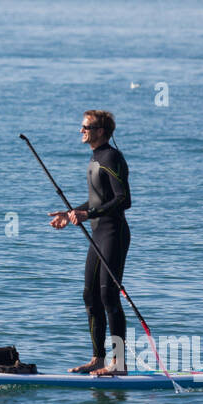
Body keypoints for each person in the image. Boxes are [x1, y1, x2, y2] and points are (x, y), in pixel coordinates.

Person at [48, 110, 131, 376]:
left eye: (86, 126)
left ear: (101, 131)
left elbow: (123, 200)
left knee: (109, 296)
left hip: (114, 234)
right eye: (82, 126)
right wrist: (72, 212)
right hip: (98, 234)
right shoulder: (95, 157)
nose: (81, 130)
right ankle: (98, 358)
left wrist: (89, 214)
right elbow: (97, 202)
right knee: (90, 295)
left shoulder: (112, 157)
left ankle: (119, 364)